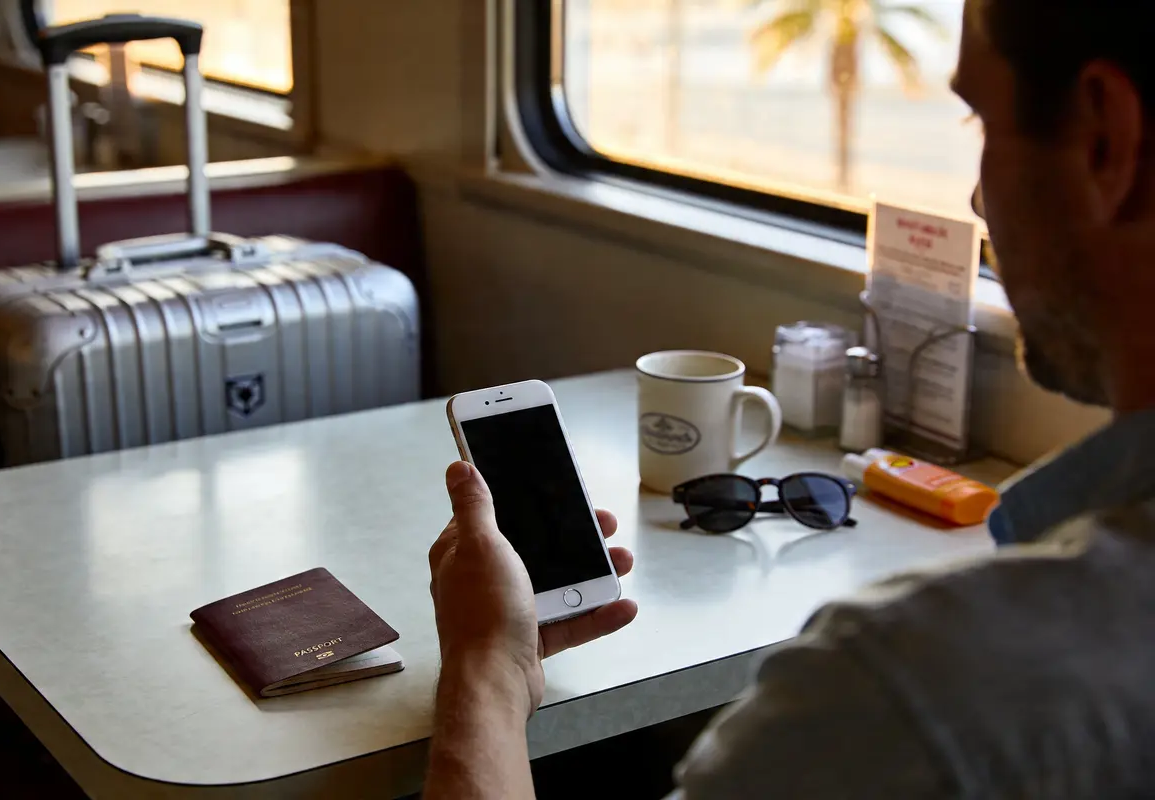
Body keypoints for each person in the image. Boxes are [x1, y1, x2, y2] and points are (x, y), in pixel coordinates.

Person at [425, 0, 1155, 796]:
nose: (977, 203)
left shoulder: (910, 691)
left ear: (1106, 140)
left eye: (981, 120)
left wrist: (486, 671)